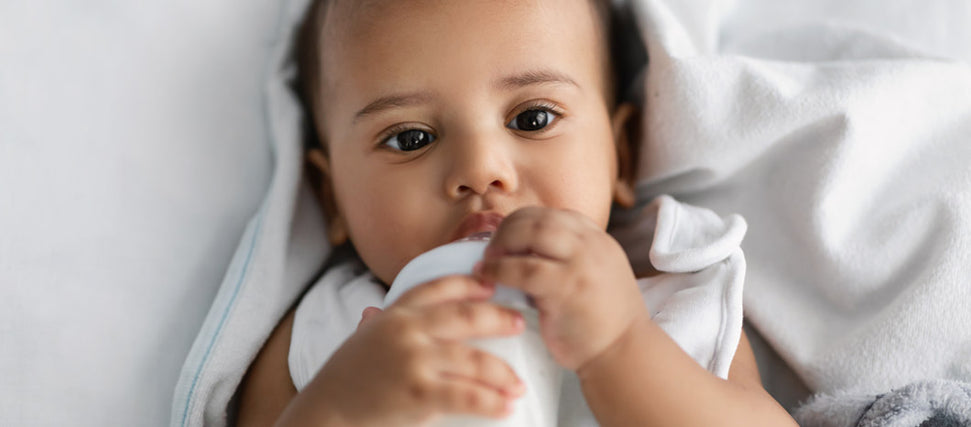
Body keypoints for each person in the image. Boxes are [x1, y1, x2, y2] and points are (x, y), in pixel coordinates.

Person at [237, 0, 798, 425]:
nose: (481, 170)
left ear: (620, 156)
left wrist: (621, 348)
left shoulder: (663, 304)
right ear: (332, 195)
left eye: (532, 119)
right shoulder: (330, 330)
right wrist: (338, 407)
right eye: (410, 138)